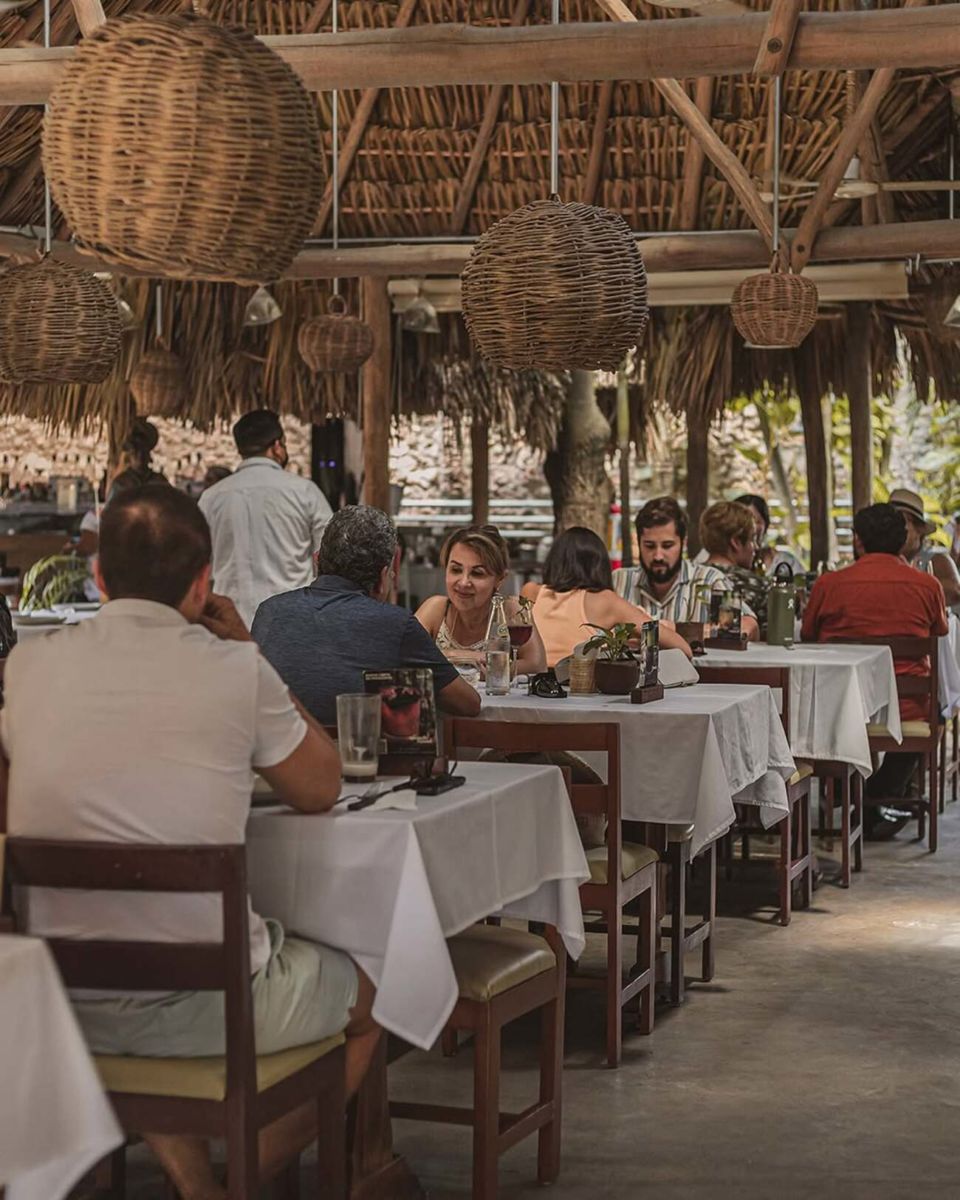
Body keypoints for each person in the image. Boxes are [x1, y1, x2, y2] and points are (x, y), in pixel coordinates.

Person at [1, 486, 379, 1200]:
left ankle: (197, 1186)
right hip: (205, 1005)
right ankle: (236, 1184)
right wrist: (247, 648)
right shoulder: (235, 671)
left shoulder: (26, 669)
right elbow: (320, 787)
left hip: (55, 997)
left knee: (138, 952)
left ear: (100, 577)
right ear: (205, 581)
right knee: (381, 997)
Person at [253, 505, 481, 726]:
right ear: (384, 577)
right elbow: (467, 704)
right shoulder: (396, 625)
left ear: (316, 561)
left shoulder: (268, 611)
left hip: (275, 760)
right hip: (361, 760)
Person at [801, 502, 948, 839]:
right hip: (907, 708)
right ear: (903, 540)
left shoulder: (829, 584)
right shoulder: (927, 586)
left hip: (841, 709)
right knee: (934, 718)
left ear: (857, 541)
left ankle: (855, 794)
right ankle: (874, 800)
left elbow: (808, 635)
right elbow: (940, 630)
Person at [199, 409, 333, 627]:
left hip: (231, 624)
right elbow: (329, 558)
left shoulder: (211, 498)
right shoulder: (304, 492)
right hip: (292, 622)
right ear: (277, 446)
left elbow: (202, 563)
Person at [520, 526, 692, 666]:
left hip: (530, 687)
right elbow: (683, 649)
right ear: (599, 564)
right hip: (578, 690)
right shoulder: (605, 600)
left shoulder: (531, 591)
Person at [415, 524, 547, 674]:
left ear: (500, 579)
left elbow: (537, 665)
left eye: (477, 573)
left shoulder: (512, 610)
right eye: (456, 570)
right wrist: (468, 657)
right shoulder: (436, 608)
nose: (464, 582)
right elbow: (403, 652)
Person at [612, 496, 738, 626]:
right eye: (649, 546)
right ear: (638, 543)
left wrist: (676, 631)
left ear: (683, 543)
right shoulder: (619, 581)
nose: (658, 556)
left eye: (667, 546)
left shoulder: (710, 581)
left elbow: (747, 627)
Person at [699, 501, 762, 641]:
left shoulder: (690, 580)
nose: (756, 547)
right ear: (736, 542)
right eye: (753, 539)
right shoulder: (759, 587)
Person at [890, 486, 960, 608]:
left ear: (919, 529)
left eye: (903, 522)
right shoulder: (881, 558)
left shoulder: (936, 559)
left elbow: (954, 591)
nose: (896, 529)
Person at [733, 493, 805, 577]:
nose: (751, 528)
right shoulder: (726, 566)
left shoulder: (786, 563)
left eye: (756, 521)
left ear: (766, 524)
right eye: (744, 522)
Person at [108, 417, 169, 499]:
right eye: (135, 453)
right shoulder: (121, 484)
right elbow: (111, 510)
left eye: (144, 451)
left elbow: (170, 507)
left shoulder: (159, 482)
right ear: (129, 457)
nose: (140, 456)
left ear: (149, 455)